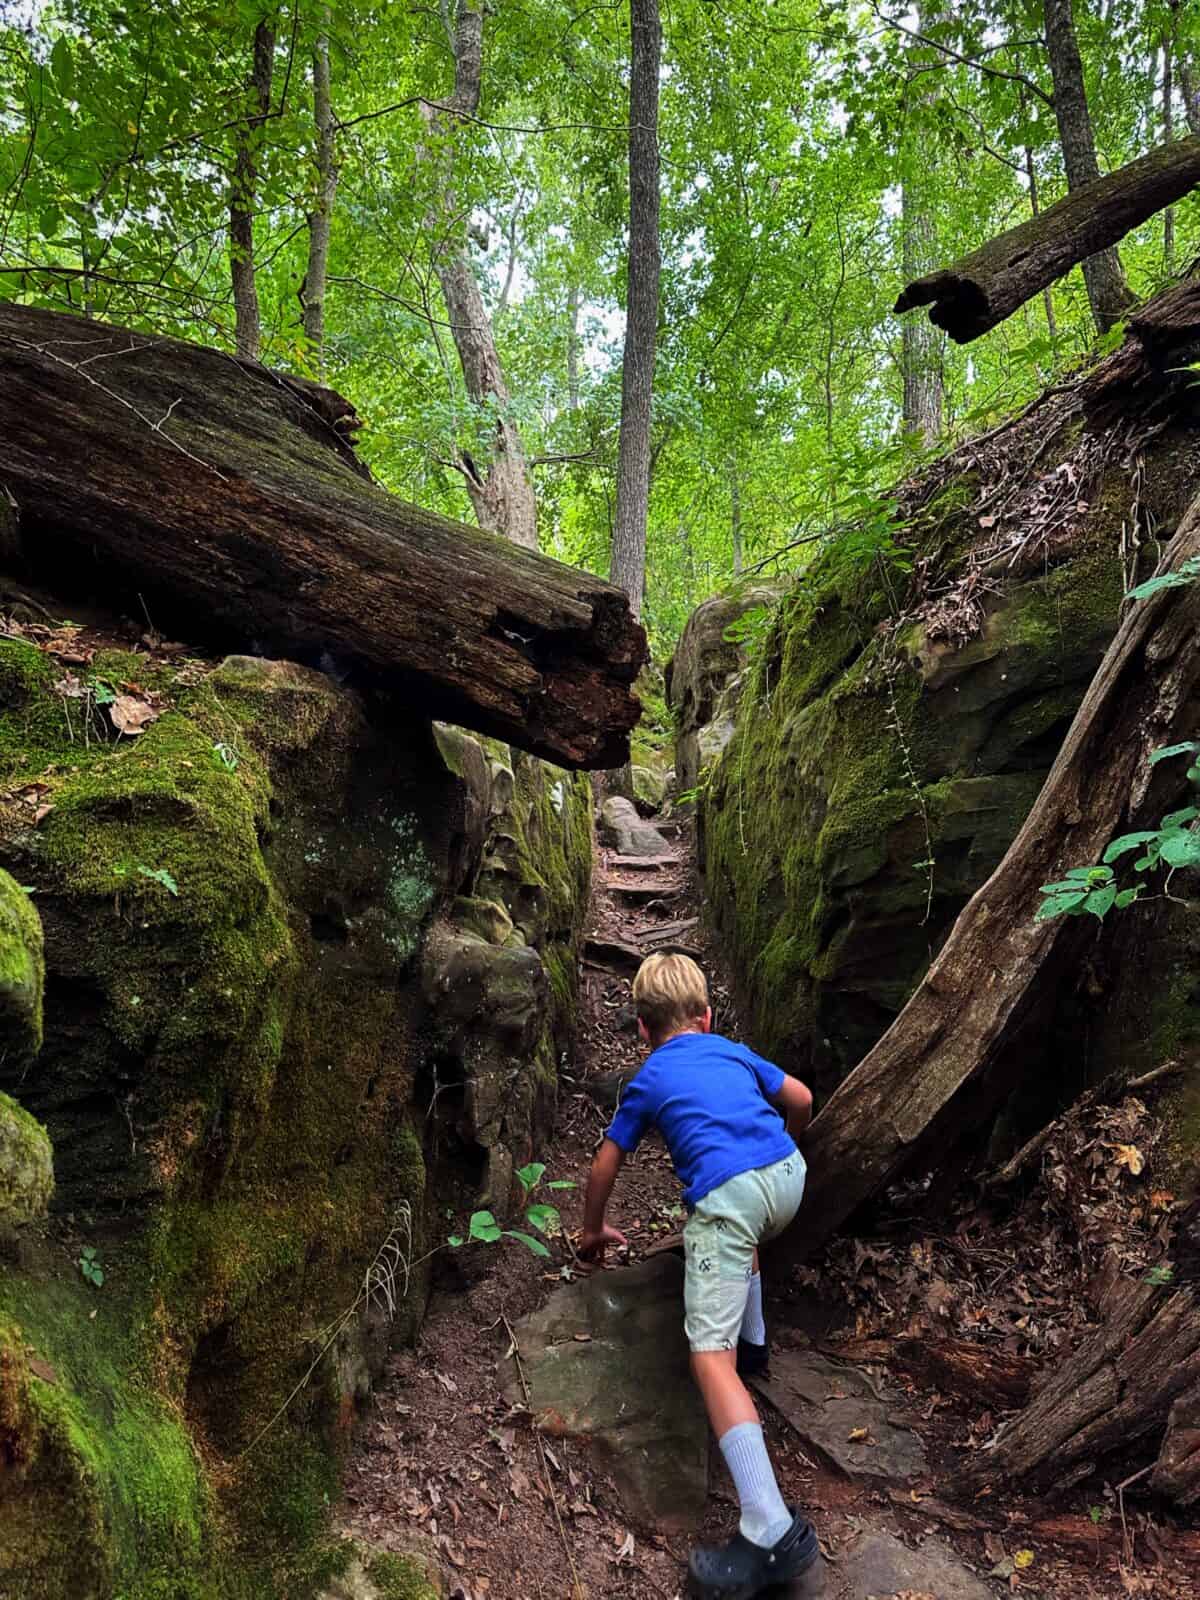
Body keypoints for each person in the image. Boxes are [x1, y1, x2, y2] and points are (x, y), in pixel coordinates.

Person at [578, 951, 819, 1600]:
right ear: (706, 1018)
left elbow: (607, 1162)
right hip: (787, 1179)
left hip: (729, 1199)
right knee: (747, 1235)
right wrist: (784, 1149)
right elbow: (801, 1097)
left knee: (710, 1361)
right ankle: (759, 1338)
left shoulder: (651, 1076)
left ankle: (769, 1528)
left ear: (641, 1031)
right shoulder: (734, 1051)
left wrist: (591, 1230)